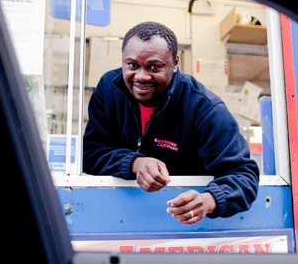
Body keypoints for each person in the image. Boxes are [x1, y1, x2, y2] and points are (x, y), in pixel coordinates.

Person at [83, 21, 259, 225]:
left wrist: (209, 201)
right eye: (132, 65)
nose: (141, 76)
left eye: (154, 67)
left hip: (189, 227)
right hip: (120, 218)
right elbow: (91, 153)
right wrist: (134, 163)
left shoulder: (204, 109)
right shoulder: (109, 89)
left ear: (175, 63)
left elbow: (243, 175)